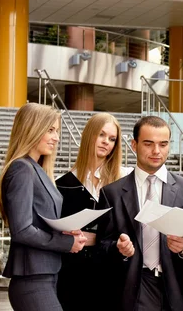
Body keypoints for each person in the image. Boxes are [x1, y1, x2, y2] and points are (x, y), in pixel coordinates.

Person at [96, 116, 183, 311]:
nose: (156, 151)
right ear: (134, 145)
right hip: (132, 288)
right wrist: (118, 248)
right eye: (149, 144)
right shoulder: (111, 193)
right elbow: (102, 245)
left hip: (176, 290)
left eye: (163, 144)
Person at [0, 103, 87, 311]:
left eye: (57, 131)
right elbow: (22, 231)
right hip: (32, 279)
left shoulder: (36, 169)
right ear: (32, 127)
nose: (56, 137)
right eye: (50, 130)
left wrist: (65, 231)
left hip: (46, 276)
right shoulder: (22, 168)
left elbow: (38, 220)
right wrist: (66, 242)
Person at [56, 113, 133, 311]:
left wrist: (97, 238)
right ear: (89, 135)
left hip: (113, 273)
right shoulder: (63, 183)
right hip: (73, 274)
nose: (106, 142)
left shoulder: (125, 179)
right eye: (101, 135)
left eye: (112, 139)